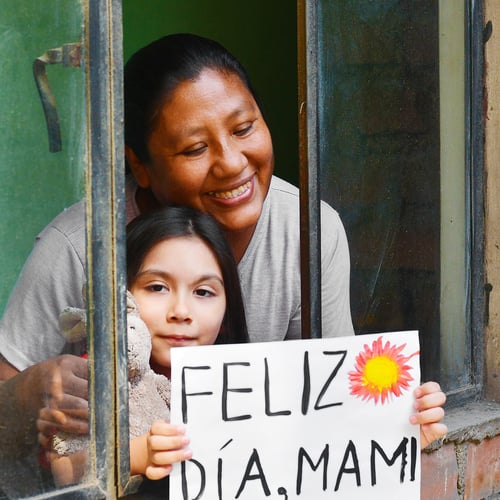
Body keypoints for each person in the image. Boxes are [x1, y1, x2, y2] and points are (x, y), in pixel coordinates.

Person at [0, 33, 446, 492]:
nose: (233, 164)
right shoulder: (81, 247)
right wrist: (31, 391)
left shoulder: (308, 230)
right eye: (195, 149)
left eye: (244, 128)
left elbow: (334, 411)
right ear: (140, 165)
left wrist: (396, 420)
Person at [42, 206, 249, 486]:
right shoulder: (95, 381)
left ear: (226, 313)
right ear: (121, 297)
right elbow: (64, 469)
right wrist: (137, 455)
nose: (180, 311)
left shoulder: (247, 392)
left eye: (203, 292)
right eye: (157, 287)